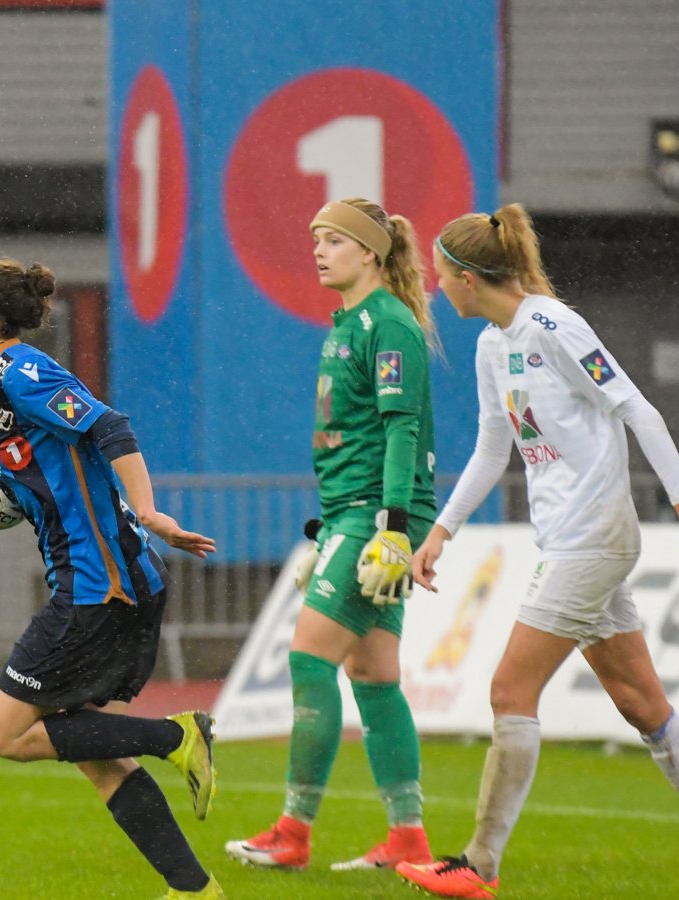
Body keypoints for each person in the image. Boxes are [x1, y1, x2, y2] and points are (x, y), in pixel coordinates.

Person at [396, 204, 679, 900]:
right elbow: (493, 449)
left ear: (470, 278)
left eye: (442, 275)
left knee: (510, 690)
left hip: (593, 536)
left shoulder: (553, 326)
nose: (437, 287)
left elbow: (638, 409)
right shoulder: (492, 347)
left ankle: (479, 865)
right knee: (640, 701)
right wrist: (442, 531)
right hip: (569, 537)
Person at [0, 258, 224, 899]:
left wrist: (149, 511)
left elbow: (108, 426)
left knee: (5, 734)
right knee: (95, 755)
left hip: (100, 587)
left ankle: (177, 735)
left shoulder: (20, 372)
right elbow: (48, 477)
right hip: (105, 583)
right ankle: (194, 890)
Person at [225, 198, 438, 874]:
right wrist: (326, 534)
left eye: (334, 240)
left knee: (308, 659)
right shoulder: (349, 322)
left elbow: (402, 430)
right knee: (373, 675)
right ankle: (408, 838)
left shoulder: (388, 323)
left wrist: (393, 530)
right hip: (356, 514)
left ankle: (294, 830)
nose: (318, 250)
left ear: (370, 252)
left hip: (376, 515)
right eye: (316, 238)